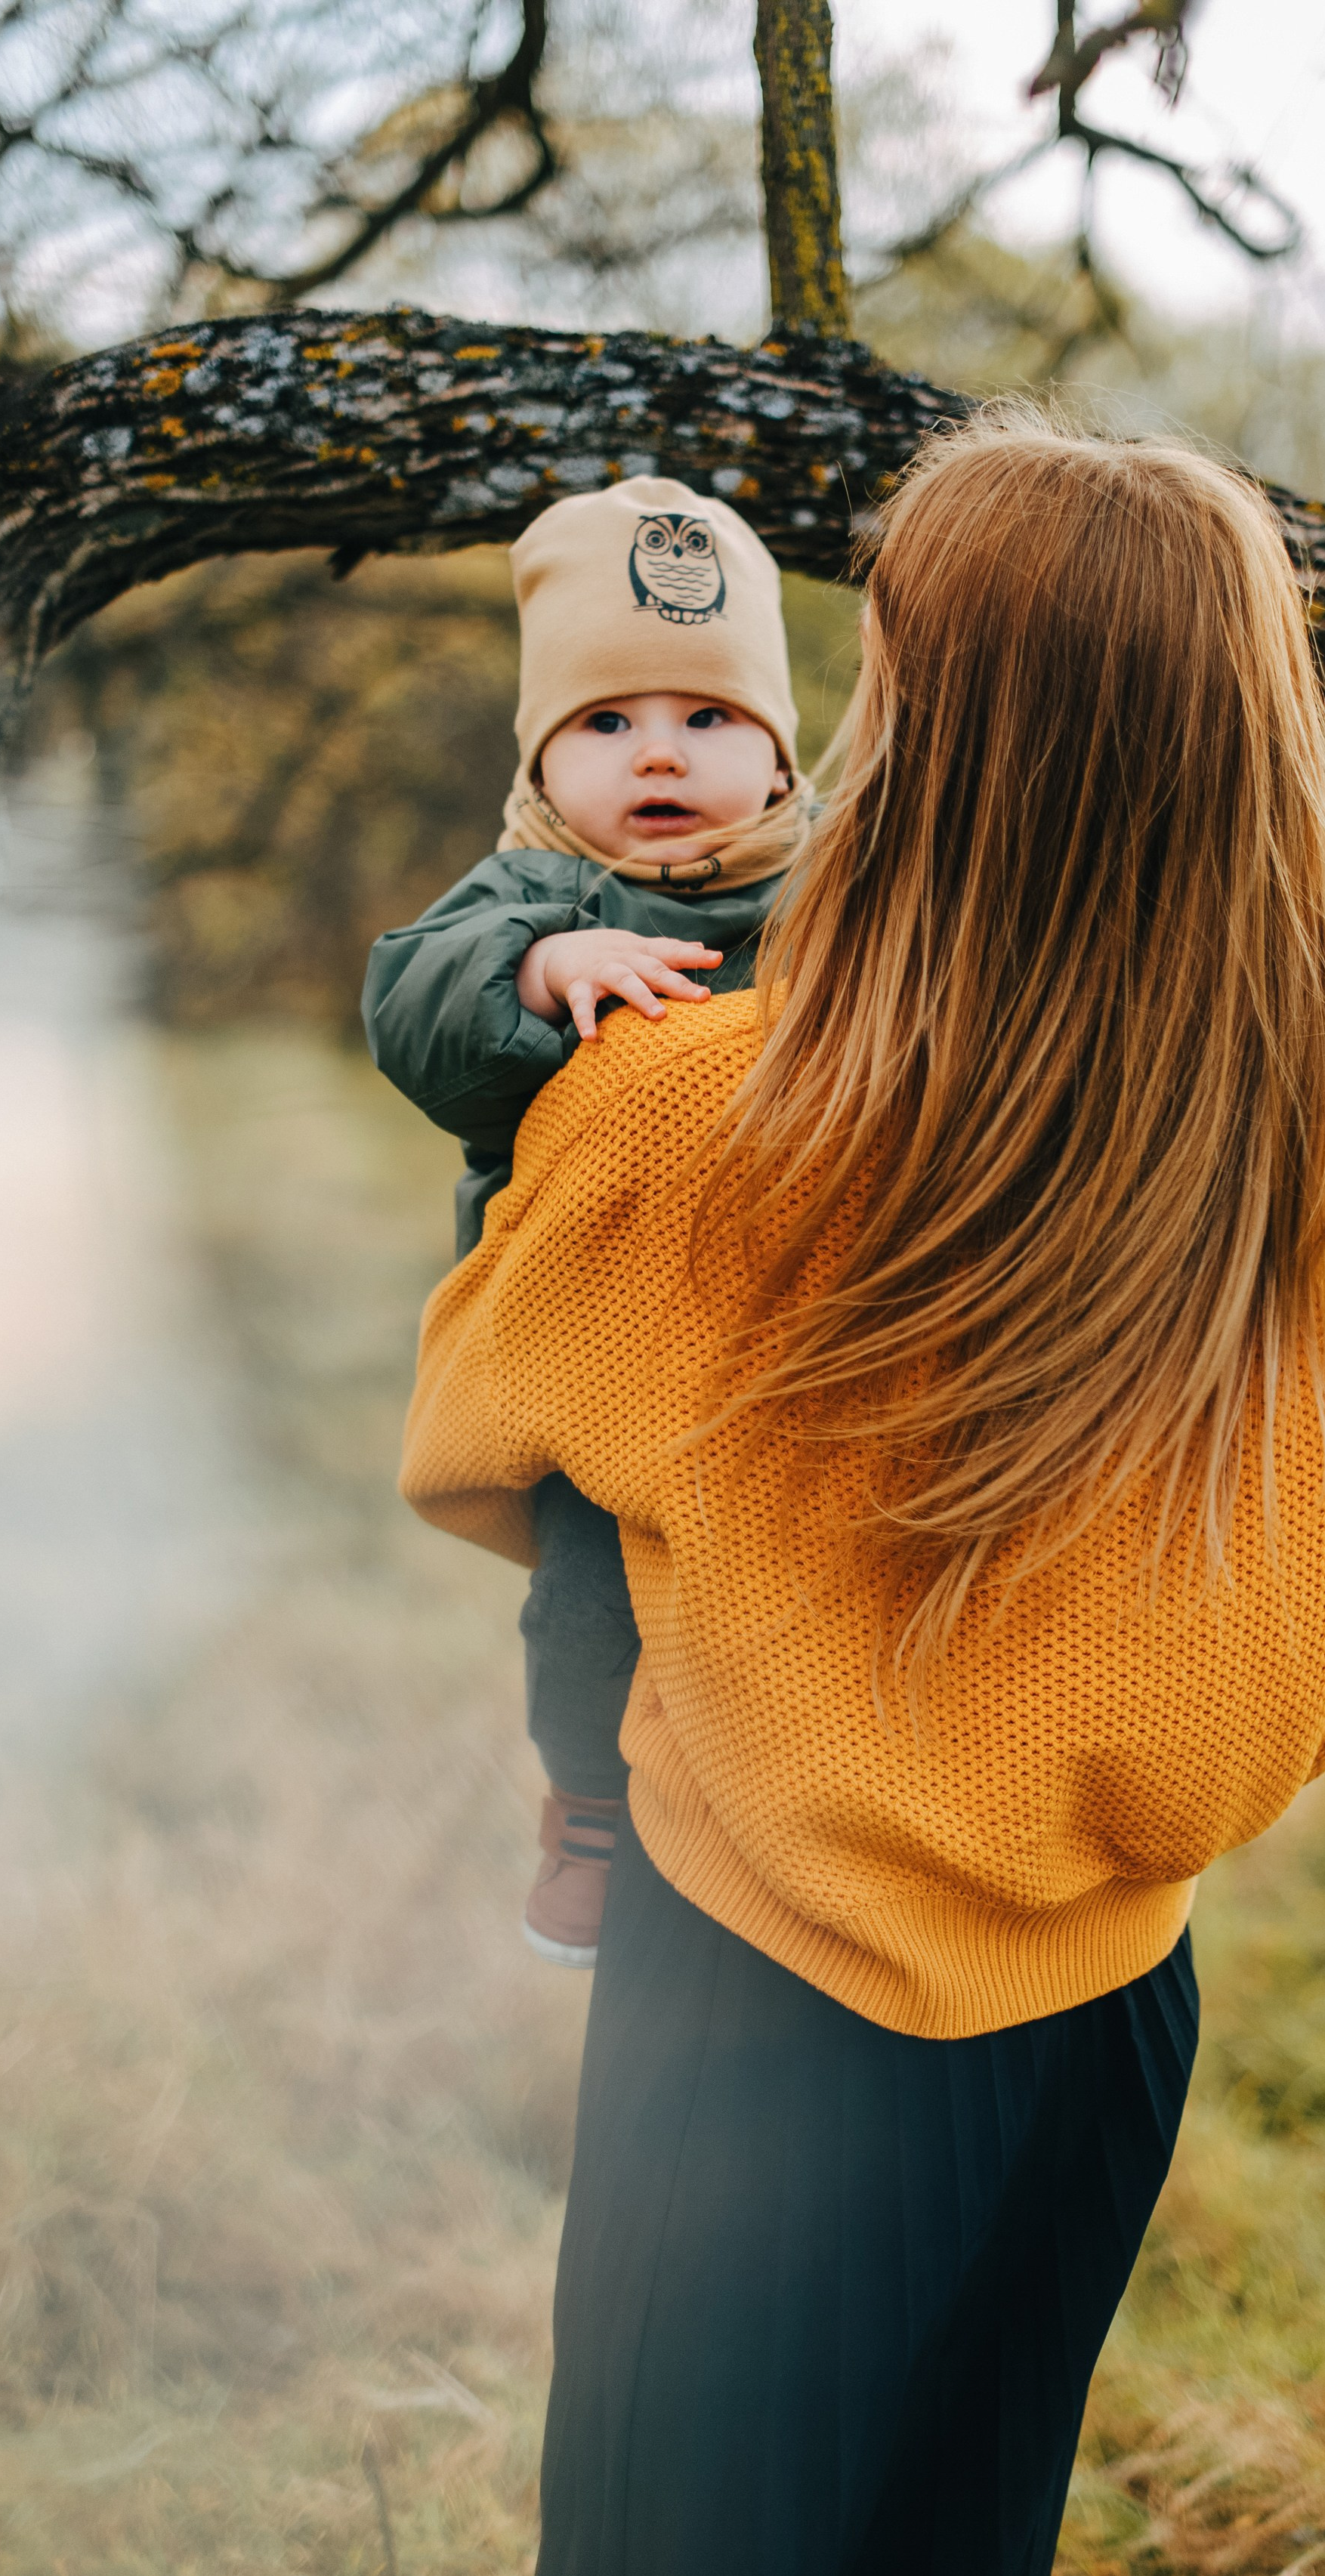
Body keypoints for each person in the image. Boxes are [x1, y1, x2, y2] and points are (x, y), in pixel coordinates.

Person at [398, 406, 1325, 2576]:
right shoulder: (1310, 1134)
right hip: (1111, 2015)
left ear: (935, 728)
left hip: (760, 2012)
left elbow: (483, 1440)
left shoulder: (692, 1106)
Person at [363, 474, 811, 1965]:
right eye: (607, 723)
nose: (660, 752)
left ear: (777, 749)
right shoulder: (522, 892)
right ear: (547, 755)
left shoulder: (828, 895)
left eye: (707, 716)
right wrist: (546, 968)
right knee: (588, 1607)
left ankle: (787, 1806)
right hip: (590, 1349)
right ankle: (594, 1812)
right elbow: (410, 1003)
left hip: (783, 1337)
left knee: (787, 1600)